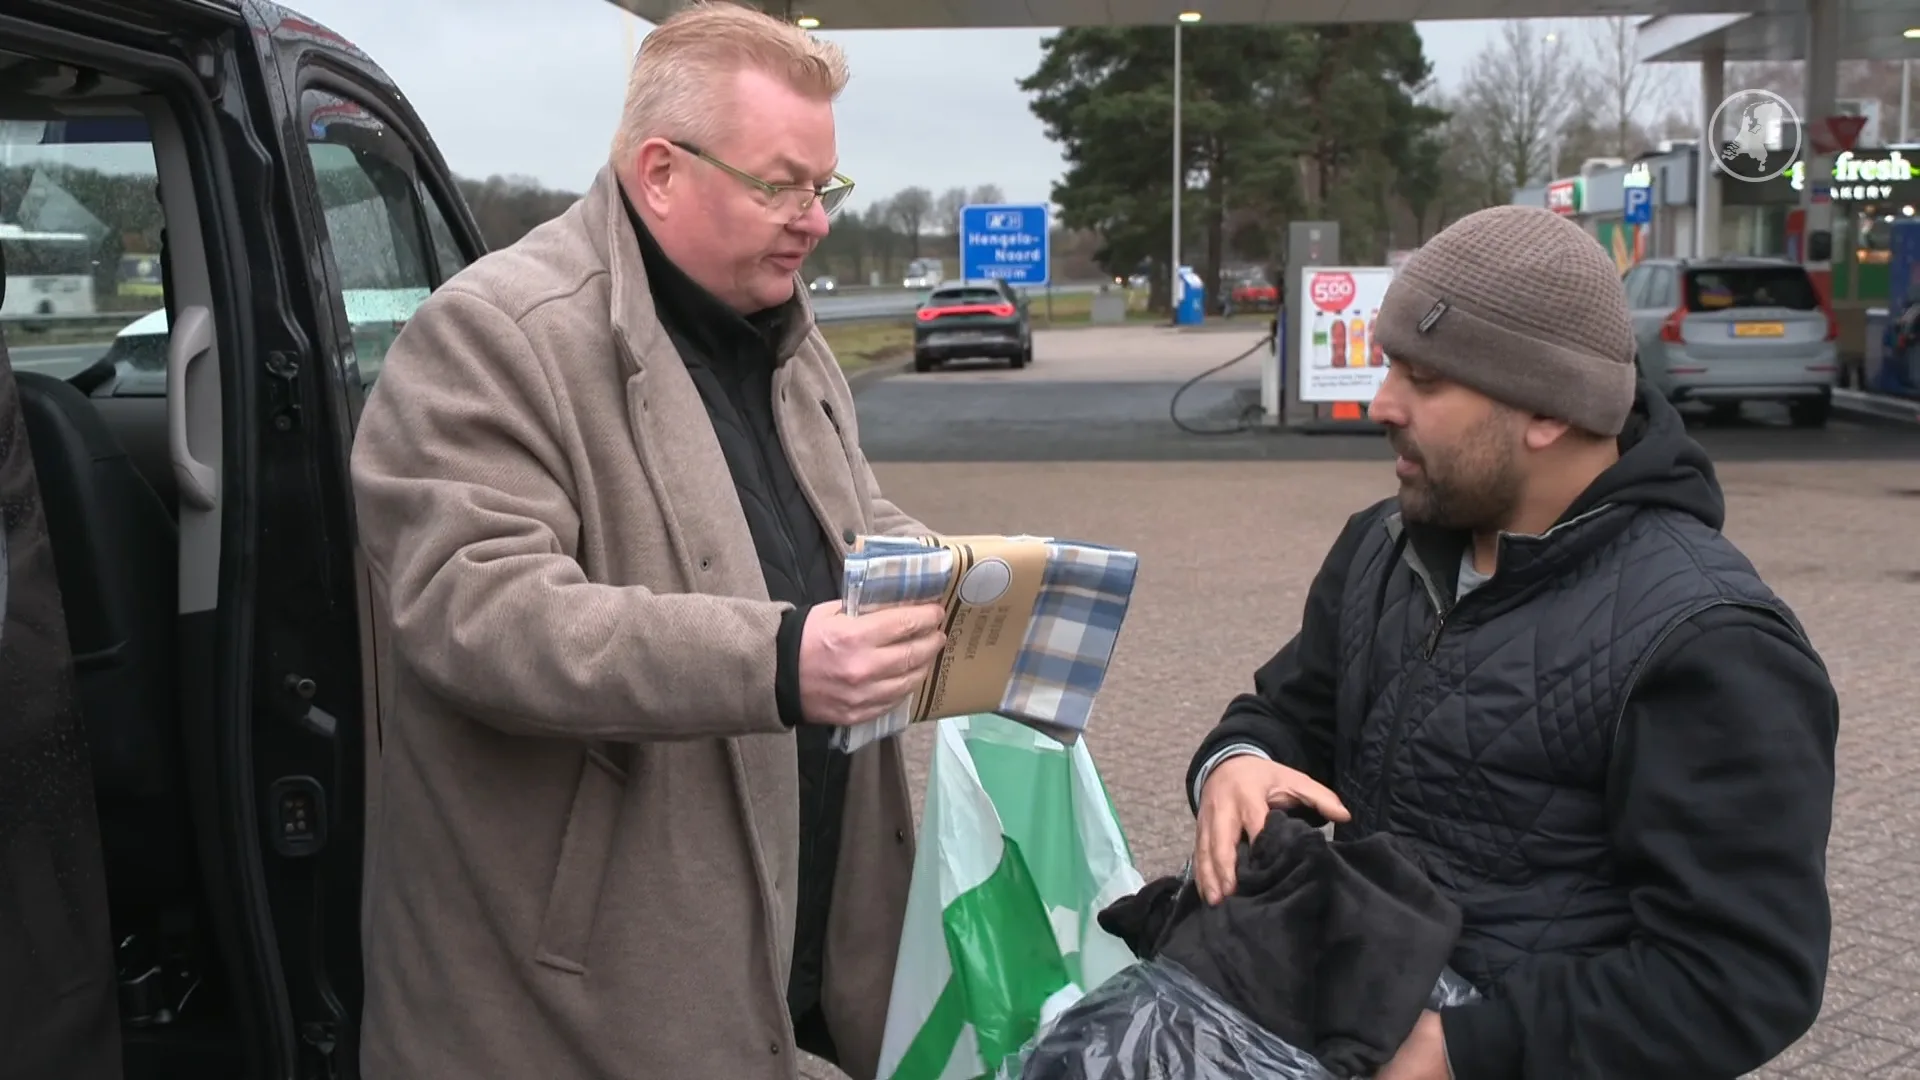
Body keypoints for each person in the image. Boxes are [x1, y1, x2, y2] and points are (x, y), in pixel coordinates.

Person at [348, 5, 948, 1078]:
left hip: (798, 942)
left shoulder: (788, 339)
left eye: (825, 187)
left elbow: (852, 517)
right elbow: (479, 611)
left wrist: (963, 582)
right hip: (594, 998)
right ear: (661, 172)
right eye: (781, 184)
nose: (812, 220)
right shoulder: (495, 334)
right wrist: (777, 659)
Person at [1185, 205, 1838, 1080]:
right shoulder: (1382, 548)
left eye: (1423, 379)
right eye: (1389, 369)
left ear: (1546, 410)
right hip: (1342, 1030)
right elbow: (1286, 716)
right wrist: (1236, 761)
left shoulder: (1710, 644)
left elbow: (1738, 978)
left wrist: (1462, 1051)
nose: (1381, 405)